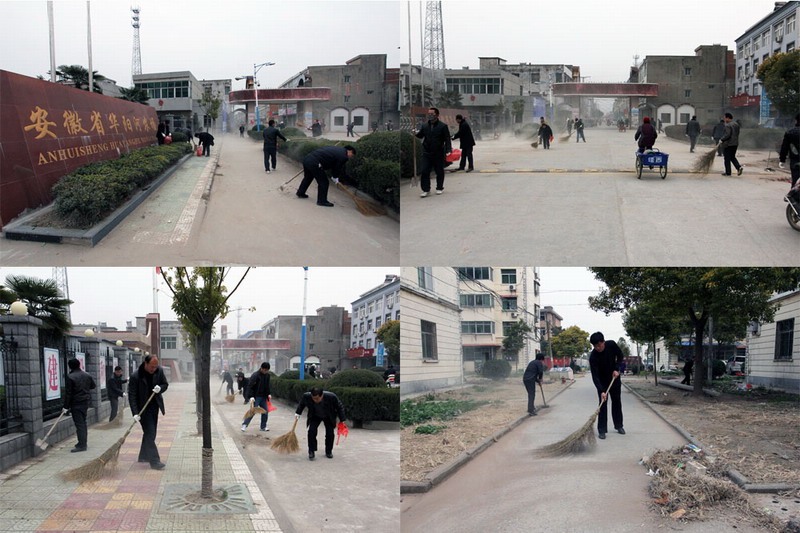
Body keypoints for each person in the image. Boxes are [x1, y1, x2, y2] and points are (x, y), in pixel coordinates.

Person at [129, 355, 169, 470]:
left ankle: (143, 456)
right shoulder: (136, 376)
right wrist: (135, 413)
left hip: (154, 407)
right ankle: (155, 461)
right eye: (152, 367)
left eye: (156, 367)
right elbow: (132, 395)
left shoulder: (159, 371)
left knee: (150, 433)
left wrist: (160, 388)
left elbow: (165, 384)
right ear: (145, 364)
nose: (154, 369)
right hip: (143, 409)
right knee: (150, 433)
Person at [588, 332, 624, 440]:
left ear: (603, 342)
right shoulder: (593, 357)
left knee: (617, 402)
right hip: (602, 383)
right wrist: (601, 390)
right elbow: (595, 376)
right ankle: (602, 430)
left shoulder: (611, 345)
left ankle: (619, 425)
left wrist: (617, 369)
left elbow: (620, 356)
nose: (597, 348)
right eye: (595, 346)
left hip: (614, 379)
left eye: (599, 345)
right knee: (602, 405)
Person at [295, 387, 346, 460]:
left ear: (322, 395)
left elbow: (339, 407)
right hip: (315, 415)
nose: (315, 400)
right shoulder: (307, 396)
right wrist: (298, 413)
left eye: (317, 398)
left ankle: (328, 451)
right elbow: (302, 404)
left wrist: (342, 420)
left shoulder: (331, 397)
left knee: (330, 434)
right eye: (313, 398)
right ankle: (311, 451)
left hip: (328, 416)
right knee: (311, 431)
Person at [416, 107, 452, 198]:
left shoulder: (443, 126)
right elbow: (421, 135)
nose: (430, 115)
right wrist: (415, 133)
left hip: (438, 152)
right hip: (427, 152)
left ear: (437, 115)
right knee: (424, 170)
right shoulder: (425, 125)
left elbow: (447, 139)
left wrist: (448, 149)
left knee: (439, 171)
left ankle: (439, 187)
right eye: (429, 114)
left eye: (432, 114)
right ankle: (426, 189)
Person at [63, 358, 96, 452]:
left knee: (80, 424)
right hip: (85, 402)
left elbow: (68, 393)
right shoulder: (87, 375)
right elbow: (93, 386)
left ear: (70, 366)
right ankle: (81, 442)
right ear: (79, 365)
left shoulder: (70, 377)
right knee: (83, 423)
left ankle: (82, 445)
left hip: (76, 403)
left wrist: (65, 407)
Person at [242, 362, 272, 432]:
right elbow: (250, 386)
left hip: (263, 397)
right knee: (252, 411)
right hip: (256, 397)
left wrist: (268, 393)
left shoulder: (267, 375)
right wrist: (251, 396)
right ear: (261, 368)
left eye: (267, 370)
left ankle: (263, 426)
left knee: (265, 411)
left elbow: (267, 385)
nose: (266, 372)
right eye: (265, 370)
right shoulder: (255, 375)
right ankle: (244, 424)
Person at [779, 113, 800, 192]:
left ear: (796, 121)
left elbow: (784, 147)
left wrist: (782, 159)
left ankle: (794, 196)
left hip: (795, 161)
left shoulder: (790, 132)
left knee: (795, 181)